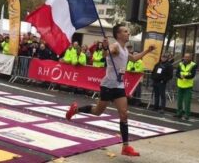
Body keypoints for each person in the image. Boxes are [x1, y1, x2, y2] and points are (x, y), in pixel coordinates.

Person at [65, 24, 155, 157]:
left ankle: (125, 147)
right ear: (118, 35)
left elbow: (134, 58)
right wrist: (105, 47)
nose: (128, 33)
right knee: (97, 112)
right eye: (125, 31)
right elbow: (106, 53)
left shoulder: (124, 50)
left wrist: (147, 50)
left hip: (119, 86)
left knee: (124, 114)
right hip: (108, 86)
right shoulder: (115, 47)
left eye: (128, 32)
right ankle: (75, 110)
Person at [174, 53, 197, 120]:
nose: (186, 58)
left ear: (191, 58)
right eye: (185, 57)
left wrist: (185, 76)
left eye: (188, 57)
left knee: (187, 101)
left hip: (188, 86)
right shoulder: (180, 64)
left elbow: (193, 75)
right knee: (179, 101)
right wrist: (180, 77)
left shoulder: (193, 65)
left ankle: (187, 115)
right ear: (183, 57)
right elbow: (177, 73)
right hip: (180, 85)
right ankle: (179, 113)